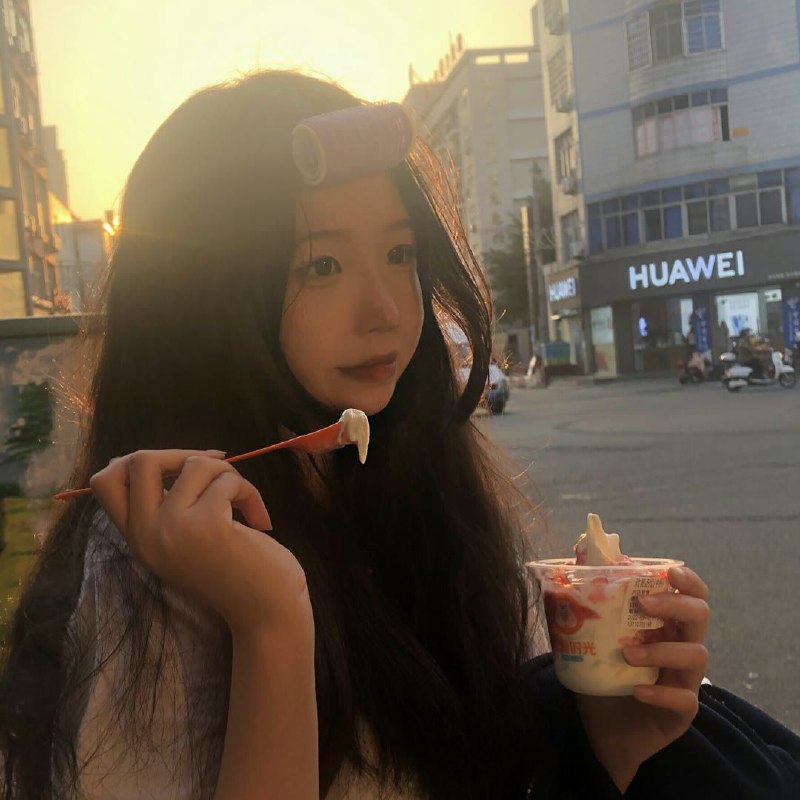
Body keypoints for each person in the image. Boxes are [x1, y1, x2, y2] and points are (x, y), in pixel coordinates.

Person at [0, 71, 797, 800]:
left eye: (398, 252)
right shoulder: (146, 580)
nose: (386, 311)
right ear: (198, 298)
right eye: (320, 266)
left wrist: (612, 747)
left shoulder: (419, 502)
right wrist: (272, 627)